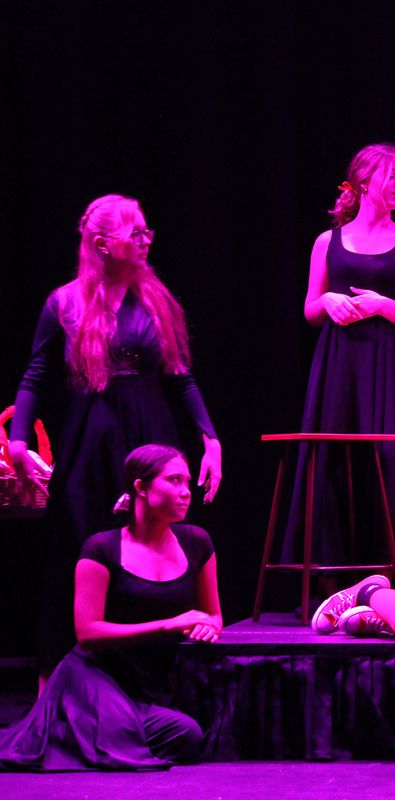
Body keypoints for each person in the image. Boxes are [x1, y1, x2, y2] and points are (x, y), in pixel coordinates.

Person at [8, 194, 221, 676]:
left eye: (147, 232)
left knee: (152, 542)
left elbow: (181, 377)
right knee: (81, 545)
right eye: (135, 233)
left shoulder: (157, 301)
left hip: (150, 433)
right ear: (102, 244)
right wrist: (18, 443)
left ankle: (153, 669)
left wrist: (210, 439)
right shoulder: (65, 303)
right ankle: (62, 677)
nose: (145, 241)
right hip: (92, 437)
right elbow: (35, 377)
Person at [0, 445, 222, 770]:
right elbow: (88, 633)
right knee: (128, 733)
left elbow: (213, 614)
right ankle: (82, 727)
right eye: (174, 480)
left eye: (187, 482)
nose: (186, 491)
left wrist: (210, 625)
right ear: (140, 487)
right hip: (95, 679)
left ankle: (94, 733)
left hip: (150, 684)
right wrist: (169, 624)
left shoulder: (197, 542)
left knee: (185, 734)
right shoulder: (102, 548)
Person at [283, 143, 395, 573]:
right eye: (392, 176)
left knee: (389, 463)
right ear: (364, 182)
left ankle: (393, 575)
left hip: (387, 365)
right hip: (338, 365)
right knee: (332, 461)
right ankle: (328, 578)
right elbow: (310, 310)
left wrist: (381, 305)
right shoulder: (327, 241)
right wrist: (327, 300)